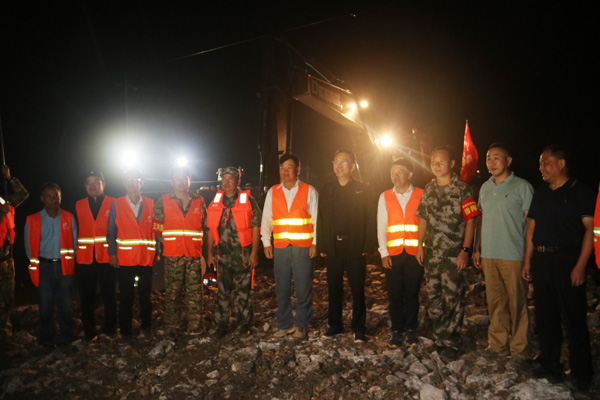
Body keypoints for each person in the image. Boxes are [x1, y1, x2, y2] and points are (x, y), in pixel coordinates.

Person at [522, 145, 594, 390]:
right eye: (540, 164)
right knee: (545, 316)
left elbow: (589, 230)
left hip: (568, 261)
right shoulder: (541, 193)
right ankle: (549, 364)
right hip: (542, 260)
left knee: (574, 319)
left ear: (561, 164)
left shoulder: (580, 192)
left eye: (546, 163)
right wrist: (528, 260)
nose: (541, 168)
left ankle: (582, 374)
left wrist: (581, 265)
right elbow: (531, 228)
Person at [416, 146, 480, 354]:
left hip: (453, 255)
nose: (437, 165)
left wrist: (465, 250)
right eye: (433, 161)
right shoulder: (429, 189)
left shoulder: (463, 190)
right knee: (434, 297)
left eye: (441, 161)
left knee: (452, 298)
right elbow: (423, 219)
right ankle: (439, 337)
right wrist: (419, 246)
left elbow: (471, 221)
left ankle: (451, 341)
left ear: (452, 164)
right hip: (432, 254)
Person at [472, 143, 533, 358]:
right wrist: (477, 248)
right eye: (488, 158)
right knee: (495, 302)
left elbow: (531, 224)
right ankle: (497, 345)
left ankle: (520, 350)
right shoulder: (485, 187)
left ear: (508, 161)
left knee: (517, 303)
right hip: (489, 254)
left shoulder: (522, 186)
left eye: (496, 157)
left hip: (513, 254)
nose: (491, 162)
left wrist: (528, 258)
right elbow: (480, 219)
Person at [317, 150, 377, 343]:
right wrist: (322, 244)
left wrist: (368, 244)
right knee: (334, 287)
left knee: (357, 288)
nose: (339, 165)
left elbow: (371, 218)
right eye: (336, 161)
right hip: (333, 246)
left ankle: (359, 327)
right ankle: (335, 325)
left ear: (352, 166)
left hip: (355, 245)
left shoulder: (363, 189)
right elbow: (321, 219)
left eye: (344, 162)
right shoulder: (327, 190)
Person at [261, 153, 318, 339]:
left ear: (298, 169)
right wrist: (266, 242)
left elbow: (317, 220)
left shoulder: (309, 191)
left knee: (303, 288)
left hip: (303, 247)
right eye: (282, 168)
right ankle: (284, 324)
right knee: (282, 288)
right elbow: (267, 218)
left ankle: (302, 324)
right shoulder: (273, 192)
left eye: (289, 167)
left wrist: (315, 243)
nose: (285, 172)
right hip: (281, 247)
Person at [207, 166, 261, 339]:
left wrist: (254, 253)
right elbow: (210, 228)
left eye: (230, 179)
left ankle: (244, 325)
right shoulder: (216, 201)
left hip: (243, 255)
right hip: (222, 256)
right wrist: (209, 254)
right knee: (222, 292)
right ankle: (221, 325)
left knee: (245, 292)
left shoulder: (248, 200)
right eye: (224, 179)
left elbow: (256, 227)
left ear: (238, 181)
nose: (227, 183)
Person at [153, 167, 206, 338]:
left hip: (193, 255)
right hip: (172, 255)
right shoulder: (162, 201)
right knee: (172, 293)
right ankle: (172, 327)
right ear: (172, 182)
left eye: (184, 178)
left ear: (189, 180)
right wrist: (160, 249)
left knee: (195, 293)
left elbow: (205, 226)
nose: (181, 181)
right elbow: (157, 229)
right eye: (177, 178)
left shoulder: (199, 201)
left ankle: (195, 327)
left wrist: (203, 254)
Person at [377, 158, 424, 347]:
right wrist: (383, 252)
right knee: (394, 294)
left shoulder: (421, 194)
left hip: (415, 253)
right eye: (392, 172)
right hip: (393, 253)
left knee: (412, 293)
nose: (395, 176)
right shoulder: (385, 196)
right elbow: (381, 225)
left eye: (399, 172)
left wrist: (423, 248)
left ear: (410, 174)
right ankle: (396, 330)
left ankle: (411, 330)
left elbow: (426, 224)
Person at [25, 183, 77, 346]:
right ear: (42, 199)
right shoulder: (32, 220)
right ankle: (47, 339)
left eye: (57, 196)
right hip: (44, 268)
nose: (54, 200)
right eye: (50, 197)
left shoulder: (69, 217)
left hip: (64, 268)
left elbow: (74, 242)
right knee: (45, 306)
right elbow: (28, 246)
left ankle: (66, 336)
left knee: (66, 306)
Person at [107, 169, 156, 340]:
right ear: (124, 183)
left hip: (145, 257)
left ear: (141, 182)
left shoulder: (150, 203)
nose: (132, 183)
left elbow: (156, 230)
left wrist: (157, 251)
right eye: (128, 179)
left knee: (145, 296)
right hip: (125, 259)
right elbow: (111, 231)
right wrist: (112, 253)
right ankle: (125, 331)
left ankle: (146, 328)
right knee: (125, 296)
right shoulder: (117, 204)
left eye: (135, 179)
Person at [75, 171, 117, 339]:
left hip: (107, 257)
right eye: (88, 182)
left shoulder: (113, 203)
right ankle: (89, 332)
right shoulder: (77, 205)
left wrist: (115, 253)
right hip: (84, 259)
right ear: (85, 186)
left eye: (96, 181)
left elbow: (118, 230)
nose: (92, 185)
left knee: (109, 295)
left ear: (103, 184)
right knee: (86, 298)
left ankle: (110, 329)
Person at [0, 165, 29, 350]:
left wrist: (9, 178)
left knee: (7, 301)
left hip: (6, 260)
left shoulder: (4, 200)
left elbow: (22, 194)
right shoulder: (3, 207)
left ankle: (5, 337)